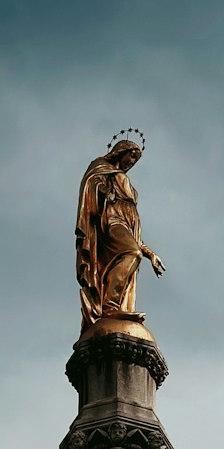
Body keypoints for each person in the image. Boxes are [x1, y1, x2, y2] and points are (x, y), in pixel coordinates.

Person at [74, 136, 166, 332]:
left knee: (135, 253)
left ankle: (113, 306)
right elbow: (91, 185)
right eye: (131, 156)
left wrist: (151, 254)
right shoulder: (102, 168)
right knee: (132, 253)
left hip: (125, 224)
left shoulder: (132, 189)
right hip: (110, 221)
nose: (132, 162)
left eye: (136, 160)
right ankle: (110, 307)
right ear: (121, 151)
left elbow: (135, 238)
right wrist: (103, 190)